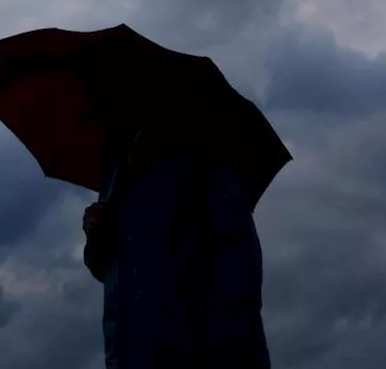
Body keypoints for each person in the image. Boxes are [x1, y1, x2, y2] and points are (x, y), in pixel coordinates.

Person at [82, 122, 271, 368]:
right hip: (131, 349)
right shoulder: (118, 167)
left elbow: (236, 268)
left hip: (195, 350)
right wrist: (96, 234)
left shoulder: (207, 160)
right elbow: (109, 269)